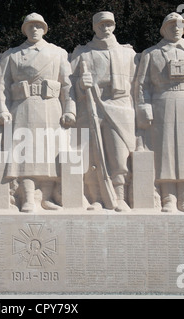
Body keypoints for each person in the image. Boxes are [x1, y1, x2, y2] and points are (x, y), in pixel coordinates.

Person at [0, 13, 76, 213]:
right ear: (24, 29)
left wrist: (70, 110)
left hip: (50, 107)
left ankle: (46, 197)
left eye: (38, 26)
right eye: (30, 26)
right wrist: (2, 109)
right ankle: (28, 198)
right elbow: (1, 87)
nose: (34, 30)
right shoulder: (12, 55)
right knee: (26, 154)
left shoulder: (58, 53)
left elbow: (68, 85)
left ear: (44, 29)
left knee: (50, 154)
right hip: (23, 107)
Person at [135, 12, 184, 212]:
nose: (176, 28)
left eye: (179, 24)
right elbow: (142, 85)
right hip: (163, 102)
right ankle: (168, 198)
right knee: (165, 151)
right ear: (164, 28)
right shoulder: (151, 53)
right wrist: (144, 106)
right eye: (171, 24)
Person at [71, 11, 137, 211]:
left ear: (114, 26)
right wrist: (81, 85)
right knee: (92, 155)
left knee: (119, 154)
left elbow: (137, 84)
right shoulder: (82, 53)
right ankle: (96, 197)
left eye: (109, 24)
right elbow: (70, 84)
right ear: (94, 27)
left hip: (120, 106)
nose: (105, 28)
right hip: (91, 106)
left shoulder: (128, 53)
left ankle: (120, 197)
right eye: (101, 25)